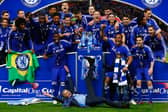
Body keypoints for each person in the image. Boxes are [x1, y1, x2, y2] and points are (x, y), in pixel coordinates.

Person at [43, 59, 129, 108]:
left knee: (87, 80)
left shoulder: (72, 93)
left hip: (88, 97)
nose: (68, 92)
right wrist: (49, 95)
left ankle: (91, 64)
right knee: (103, 99)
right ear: (65, 96)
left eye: (67, 91)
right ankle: (121, 106)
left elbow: (71, 84)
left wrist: (68, 73)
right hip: (88, 101)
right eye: (66, 93)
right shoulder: (69, 100)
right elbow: (59, 99)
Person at [103, 34, 132, 102]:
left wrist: (126, 66)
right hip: (112, 68)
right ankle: (107, 99)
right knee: (106, 80)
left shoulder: (124, 48)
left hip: (121, 69)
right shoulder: (112, 44)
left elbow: (130, 58)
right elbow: (103, 37)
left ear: (121, 39)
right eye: (116, 38)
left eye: (119, 38)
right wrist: (102, 29)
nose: (117, 39)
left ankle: (128, 98)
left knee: (125, 82)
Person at [43, 33, 71, 97]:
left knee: (63, 83)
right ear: (53, 38)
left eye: (57, 36)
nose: (56, 38)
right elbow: (46, 54)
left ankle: (62, 97)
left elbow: (71, 45)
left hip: (63, 66)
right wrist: (46, 56)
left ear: (59, 37)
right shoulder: (50, 45)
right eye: (55, 37)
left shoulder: (64, 42)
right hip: (55, 67)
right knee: (54, 83)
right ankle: (55, 97)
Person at [131, 36, 154, 104]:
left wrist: (151, 68)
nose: (138, 42)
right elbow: (129, 55)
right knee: (138, 82)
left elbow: (152, 59)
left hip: (146, 67)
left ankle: (150, 100)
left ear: (143, 41)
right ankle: (140, 100)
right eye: (137, 40)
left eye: (140, 40)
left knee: (149, 82)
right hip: (138, 68)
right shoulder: (134, 48)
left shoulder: (147, 49)